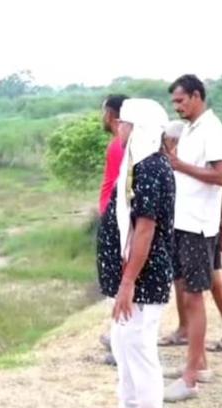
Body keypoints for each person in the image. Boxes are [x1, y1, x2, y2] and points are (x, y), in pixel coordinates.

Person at [90, 98, 175, 408]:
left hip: (144, 276)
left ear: (138, 127)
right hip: (132, 275)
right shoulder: (137, 163)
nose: (119, 128)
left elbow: (145, 229)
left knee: (139, 347)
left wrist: (128, 282)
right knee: (123, 341)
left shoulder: (150, 167)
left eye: (123, 123)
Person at [160, 75, 222, 402]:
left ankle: (190, 380)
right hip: (183, 221)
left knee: (193, 296)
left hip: (198, 226)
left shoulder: (212, 129)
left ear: (196, 96)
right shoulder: (190, 128)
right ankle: (198, 364)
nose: (177, 107)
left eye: (180, 101)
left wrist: (179, 165)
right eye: (174, 102)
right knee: (186, 292)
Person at [97, 94, 129, 358]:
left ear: (111, 114)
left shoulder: (121, 144)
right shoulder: (122, 143)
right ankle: (118, 336)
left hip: (116, 217)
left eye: (104, 111)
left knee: (117, 281)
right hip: (114, 215)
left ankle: (121, 343)